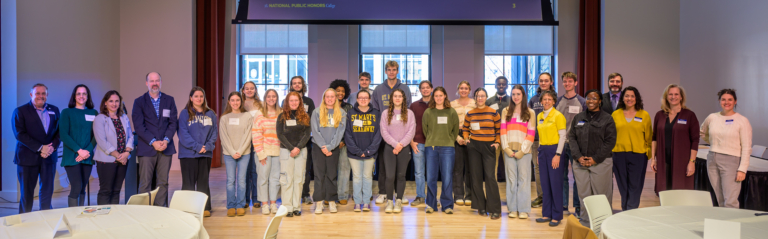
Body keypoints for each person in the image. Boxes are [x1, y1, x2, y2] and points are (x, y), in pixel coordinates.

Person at [568, 89, 617, 225]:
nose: (591, 101)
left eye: (594, 98)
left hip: (601, 163)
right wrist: (578, 157)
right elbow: (572, 138)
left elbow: (610, 141)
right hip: (580, 163)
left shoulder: (607, 119)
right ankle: (585, 222)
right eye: (588, 98)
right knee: (584, 195)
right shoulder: (578, 118)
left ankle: (603, 224)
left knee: (601, 195)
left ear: (600, 101)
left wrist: (595, 158)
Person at [700, 89, 752, 208]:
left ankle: (732, 220)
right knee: (720, 199)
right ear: (719, 101)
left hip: (731, 161)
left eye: (730, 99)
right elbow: (702, 132)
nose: (726, 102)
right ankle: (723, 219)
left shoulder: (742, 121)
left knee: (730, 201)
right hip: (712, 159)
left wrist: (742, 169)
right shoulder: (712, 117)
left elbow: (746, 147)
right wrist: (715, 143)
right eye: (723, 99)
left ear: (735, 101)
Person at [132, 72, 178, 207]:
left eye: (157, 80)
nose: (154, 83)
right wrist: (153, 142)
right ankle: (144, 211)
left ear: (161, 82)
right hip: (147, 148)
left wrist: (166, 140)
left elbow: (173, 123)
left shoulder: (169, 100)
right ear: (146, 83)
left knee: (163, 182)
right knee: (145, 183)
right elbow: (139, 126)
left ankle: (160, 210)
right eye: (151, 81)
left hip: (166, 147)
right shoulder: (139, 102)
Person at [13, 83, 60, 213]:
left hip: (49, 157)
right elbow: (19, 134)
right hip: (27, 158)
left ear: (47, 95)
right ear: (31, 95)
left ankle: (46, 217)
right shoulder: (20, 111)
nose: (41, 96)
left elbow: (59, 132)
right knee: (27, 194)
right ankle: (25, 220)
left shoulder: (54, 110)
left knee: (47, 192)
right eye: (37, 93)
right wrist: (40, 148)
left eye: (43, 93)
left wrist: (51, 148)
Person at [372, 61, 412, 205]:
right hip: (384, 133)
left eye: (394, 69)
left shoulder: (405, 88)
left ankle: (398, 193)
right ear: (385, 71)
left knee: (400, 169)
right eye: (389, 70)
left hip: (401, 135)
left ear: (397, 71)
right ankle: (383, 192)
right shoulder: (378, 89)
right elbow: (375, 110)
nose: (391, 72)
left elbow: (407, 108)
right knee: (384, 166)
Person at [651, 84, 700, 194]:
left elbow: (695, 140)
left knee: (680, 192)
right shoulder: (659, 115)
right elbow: (654, 138)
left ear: (681, 97)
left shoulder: (689, 115)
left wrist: (692, 162)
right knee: (664, 192)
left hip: (681, 162)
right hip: (663, 160)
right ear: (666, 96)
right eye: (670, 94)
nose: (673, 97)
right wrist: (653, 159)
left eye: (676, 94)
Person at [177, 87, 217, 216]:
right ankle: (188, 209)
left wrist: (207, 146)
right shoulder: (184, 113)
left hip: (205, 153)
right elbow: (183, 134)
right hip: (188, 154)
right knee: (188, 183)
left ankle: (204, 208)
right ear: (191, 98)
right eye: (196, 96)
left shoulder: (210, 114)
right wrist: (197, 146)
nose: (199, 99)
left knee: (203, 182)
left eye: (201, 96)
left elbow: (214, 133)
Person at [463, 88, 502, 220]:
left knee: (490, 177)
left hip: (489, 146)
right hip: (474, 146)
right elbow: (465, 128)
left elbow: (498, 130)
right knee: (476, 177)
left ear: (486, 97)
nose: (480, 98)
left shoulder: (493, 113)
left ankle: (495, 209)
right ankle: (481, 206)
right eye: (478, 96)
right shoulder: (470, 114)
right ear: (475, 98)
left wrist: (497, 142)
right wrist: (466, 139)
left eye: (482, 96)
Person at [611, 86, 652, 211]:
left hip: (638, 155)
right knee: (622, 185)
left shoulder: (644, 115)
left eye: (632, 96)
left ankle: (631, 210)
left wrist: (647, 153)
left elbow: (649, 137)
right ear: (622, 98)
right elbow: (611, 135)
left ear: (636, 98)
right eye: (627, 96)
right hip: (619, 154)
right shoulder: (615, 114)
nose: (629, 98)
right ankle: (625, 209)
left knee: (635, 185)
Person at [501, 85, 536, 219]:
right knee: (511, 180)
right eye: (513, 94)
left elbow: (531, 133)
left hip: (524, 152)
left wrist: (523, 150)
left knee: (524, 180)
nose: (515, 97)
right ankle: (512, 209)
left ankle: (523, 209)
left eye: (518, 94)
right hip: (509, 150)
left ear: (523, 95)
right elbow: (503, 131)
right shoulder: (505, 111)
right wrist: (506, 148)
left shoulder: (530, 112)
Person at [423, 86, 460, 214]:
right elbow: (425, 130)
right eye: (436, 96)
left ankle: (447, 205)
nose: (438, 98)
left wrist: (449, 141)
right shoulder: (428, 112)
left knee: (447, 177)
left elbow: (455, 130)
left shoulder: (451, 112)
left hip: (448, 147)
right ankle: (431, 204)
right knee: (431, 177)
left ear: (445, 96)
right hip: (431, 148)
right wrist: (433, 139)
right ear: (433, 97)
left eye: (441, 95)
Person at [59, 84, 97, 207]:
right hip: (72, 156)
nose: (81, 96)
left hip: (87, 156)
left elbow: (96, 135)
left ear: (88, 96)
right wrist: (79, 150)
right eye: (78, 94)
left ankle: (80, 213)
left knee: (82, 188)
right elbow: (63, 134)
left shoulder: (93, 113)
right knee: (76, 187)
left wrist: (87, 151)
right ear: (74, 96)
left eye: (84, 93)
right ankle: (72, 214)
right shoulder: (66, 112)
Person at [93, 91, 134, 205]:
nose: (114, 104)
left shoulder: (124, 117)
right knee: (106, 191)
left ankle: (114, 214)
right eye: (111, 101)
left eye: (116, 101)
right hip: (107, 160)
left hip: (123, 159)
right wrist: (119, 156)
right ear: (105, 103)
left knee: (116, 191)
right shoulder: (100, 118)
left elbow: (130, 136)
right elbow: (102, 141)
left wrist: (127, 152)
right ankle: (103, 214)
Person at [311, 88, 347, 214]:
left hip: (333, 148)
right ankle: (319, 202)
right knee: (319, 175)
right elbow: (315, 131)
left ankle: (331, 201)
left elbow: (340, 132)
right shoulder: (316, 112)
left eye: (332, 96)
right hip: (318, 147)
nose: (330, 99)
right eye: (327, 96)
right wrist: (323, 146)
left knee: (332, 175)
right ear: (324, 98)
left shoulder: (341, 112)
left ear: (336, 98)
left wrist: (330, 147)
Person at [380, 89, 416, 213]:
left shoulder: (409, 113)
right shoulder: (385, 113)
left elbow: (411, 131)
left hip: (404, 148)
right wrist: (395, 144)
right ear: (391, 98)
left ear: (403, 98)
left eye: (400, 96)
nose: (397, 98)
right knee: (390, 176)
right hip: (389, 148)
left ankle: (399, 200)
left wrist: (400, 145)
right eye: (395, 96)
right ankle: (390, 201)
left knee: (401, 176)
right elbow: (384, 131)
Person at [534, 90, 567, 227]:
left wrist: (558, 155)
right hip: (543, 151)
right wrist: (539, 153)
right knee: (545, 184)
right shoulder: (539, 116)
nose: (546, 101)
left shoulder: (558, 116)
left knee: (555, 184)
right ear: (541, 101)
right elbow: (540, 136)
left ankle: (557, 215)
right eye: (544, 99)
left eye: (549, 99)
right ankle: (546, 214)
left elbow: (563, 137)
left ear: (554, 101)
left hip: (555, 150)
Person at [345, 90, 381, 212]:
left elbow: (378, 134)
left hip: (370, 153)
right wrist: (357, 151)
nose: (363, 100)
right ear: (357, 99)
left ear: (370, 99)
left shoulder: (376, 113)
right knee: (357, 177)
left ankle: (366, 202)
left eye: (366, 98)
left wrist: (369, 151)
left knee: (367, 177)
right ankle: (357, 202)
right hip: (354, 153)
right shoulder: (350, 113)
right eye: (361, 98)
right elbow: (347, 134)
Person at [219, 92, 254, 217]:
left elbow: (248, 135)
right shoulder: (224, 118)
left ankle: (240, 205)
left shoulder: (247, 116)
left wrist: (240, 150)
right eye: (232, 100)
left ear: (241, 101)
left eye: (237, 100)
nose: (235, 102)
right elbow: (224, 137)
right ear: (229, 102)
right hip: (229, 154)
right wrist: (233, 152)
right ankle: (231, 205)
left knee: (242, 180)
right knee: (230, 181)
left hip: (244, 153)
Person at [277, 91, 312, 217]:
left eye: (296, 100)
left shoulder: (305, 116)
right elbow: (280, 134)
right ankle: (287, 208)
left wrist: (298, 148)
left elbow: (307, 134)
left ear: (300, 102)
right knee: (287, 179)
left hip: (301, 151)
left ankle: (296, 207)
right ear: (287, 102)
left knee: (299, 179)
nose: (294, 102)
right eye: (291, 100)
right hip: (286, 151)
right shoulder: (281, 116)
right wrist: (292, 148)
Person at [555, 72, 585, 217]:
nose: (567, 84)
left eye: (570, 81)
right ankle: (563, 205)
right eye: (565, 81)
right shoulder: (558, 101)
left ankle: (578, 207)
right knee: (562, 176)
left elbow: (585, 123)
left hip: (576, 145)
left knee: (577, 176)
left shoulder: (582, 101)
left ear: (575, 83)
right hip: (560, 144)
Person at [253, 89, 282, 215]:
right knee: (263, 178)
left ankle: (273, 203)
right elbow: (256, 134)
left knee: (275, 179)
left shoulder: (281, 113)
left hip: (278, 151)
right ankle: (265, 204)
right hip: (263, 151)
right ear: (265, 98)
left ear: (277, 98)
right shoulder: (260, 114)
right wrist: (260, 153)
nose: (271, 99)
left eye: (273, 96)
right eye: (269, 96)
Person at [289, 76, 317, 205]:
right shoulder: (286, 100)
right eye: (294, 83)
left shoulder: (309, 101)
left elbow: (312, 120)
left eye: (299, 83)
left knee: (305, 170)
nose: (297, 85)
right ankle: (291, 195)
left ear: (303, 85)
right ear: (291, 85)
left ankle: (305, 194)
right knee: (291, 171)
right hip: (290, 142)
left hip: (306, 141)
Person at [529, 72, 554, 208]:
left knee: (552, 168)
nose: (543, 83)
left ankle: (552, 197)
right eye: (541, 81)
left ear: (551, 82)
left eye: (546, 80)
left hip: (551, 141)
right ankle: (541, 196)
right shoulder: (533, 100)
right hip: (536, 140)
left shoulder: (557, 99)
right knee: (537, 168)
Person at [450, 81, 476, 207]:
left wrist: (469, 137)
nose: (463, 90)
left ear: (469, 90)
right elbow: (450, 124)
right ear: (458, 90)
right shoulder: (452, 104)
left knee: (471, 168)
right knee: (458, 168)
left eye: (466, 88)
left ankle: (469, 195)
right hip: (457, 135)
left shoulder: (475, 104)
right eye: (461, 88)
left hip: (472, 135)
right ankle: (458, 195)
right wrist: (457, 138)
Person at [408, 80, 433, 207]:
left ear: (431, 89)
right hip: (418, 143)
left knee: (432, 172)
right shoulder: (414, 106)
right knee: (419, 172)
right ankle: (420, 196)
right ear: (420, 90)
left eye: (427, 87)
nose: (425, 90)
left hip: (433, 144)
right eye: (423, 88)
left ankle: (432, 198)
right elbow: (409, 125)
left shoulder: (437, 105)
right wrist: (411, 141)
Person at [331, 79, 353, 205]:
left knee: (344, 170)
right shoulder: (327, 107)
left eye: (343, 91)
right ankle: (330, 195)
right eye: (338, 90)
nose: (340, 93)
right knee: (330, 171)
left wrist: (343, 140)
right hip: (330, 144)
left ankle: (342, 195)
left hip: (344, 144)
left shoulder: (349, 107)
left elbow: (350, 127)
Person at [241, 81, 263, 209]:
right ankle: (245, 199)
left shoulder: (261, 104)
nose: (249, 90)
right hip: (243, 140)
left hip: (257, 140)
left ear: (255, 90)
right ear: (243, 90)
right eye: (247, 88)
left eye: (252, 88)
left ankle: (256, 198)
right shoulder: (239, 103)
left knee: (255, 171)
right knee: (245, 171)